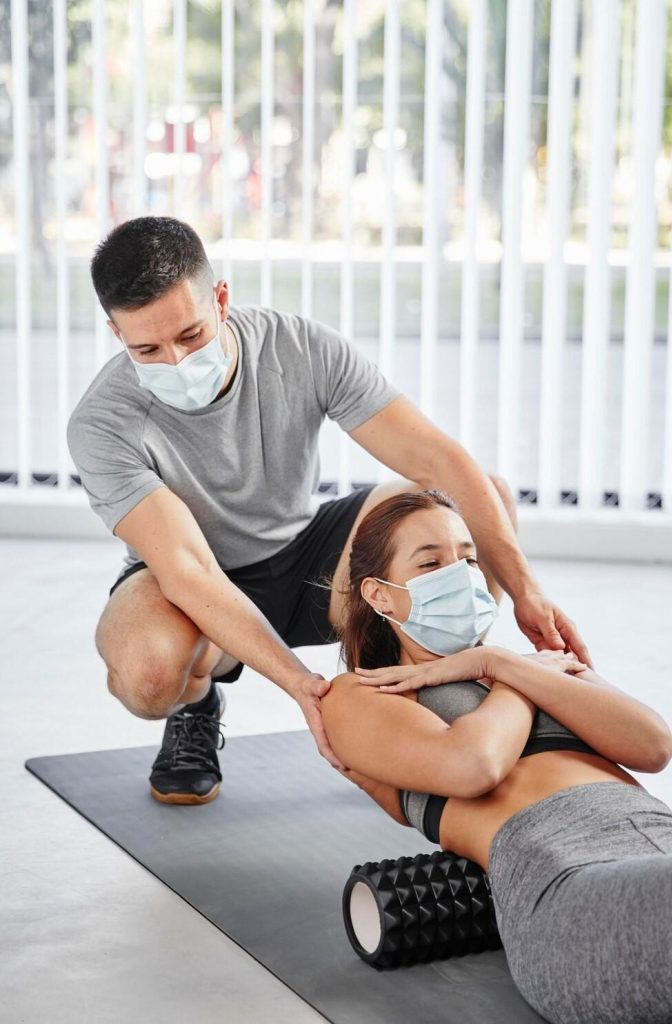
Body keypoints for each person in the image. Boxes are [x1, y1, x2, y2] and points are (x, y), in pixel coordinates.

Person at [68, 214, 590, 806]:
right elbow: (189, 572)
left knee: (480, 500)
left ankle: (419, 704)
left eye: (190, 337)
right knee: (149, 673)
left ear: (220, 298)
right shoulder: (102, 423)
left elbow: (437, 460)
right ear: (116, 334)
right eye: (147, 349)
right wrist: (303, 687)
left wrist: (527, 590)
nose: (175, 363)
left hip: (310, 553)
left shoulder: (300, 348)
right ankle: (196, 705)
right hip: (191, 583)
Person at [320, 489, 672, 1024]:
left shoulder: (530, 665)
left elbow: (652, 745)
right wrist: (509, 674)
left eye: (467, 558)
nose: (460, 573)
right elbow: (474, 765)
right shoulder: (363, 694)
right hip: (570, 887)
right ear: (379, 595)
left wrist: (503, 663)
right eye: (431, 563)